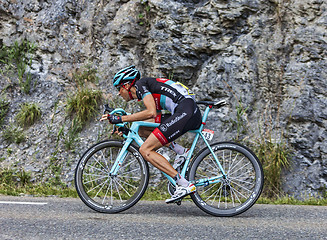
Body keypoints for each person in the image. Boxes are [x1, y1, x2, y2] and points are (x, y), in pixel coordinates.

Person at [101, 65, 202, 203]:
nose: (118, 93)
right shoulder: (147, 88)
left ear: (126, 85)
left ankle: (183, 184)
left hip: (185, 111)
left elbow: (151, 112)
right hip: (185, 110)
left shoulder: (141, 85)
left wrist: (120, 119)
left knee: (145, 150)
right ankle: (181, 151)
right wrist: (127, 127)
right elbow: (149, 120)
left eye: (118, 88)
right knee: (141, 128)